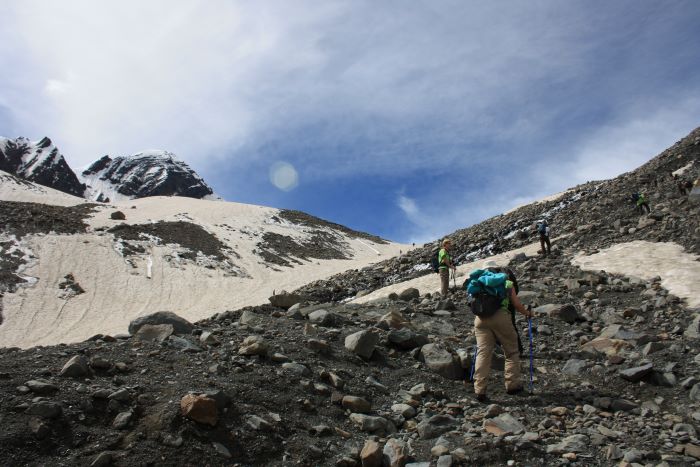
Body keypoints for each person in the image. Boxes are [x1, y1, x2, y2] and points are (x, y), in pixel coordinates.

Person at [473, 268, 534, 402]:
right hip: (501, 317)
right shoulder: (506, 282)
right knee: (511, 351)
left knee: (483, 353)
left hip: (480, 319)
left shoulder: (480, 282)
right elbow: (516, 304)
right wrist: (527, 313)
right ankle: (512, 385)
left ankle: (479, 390)